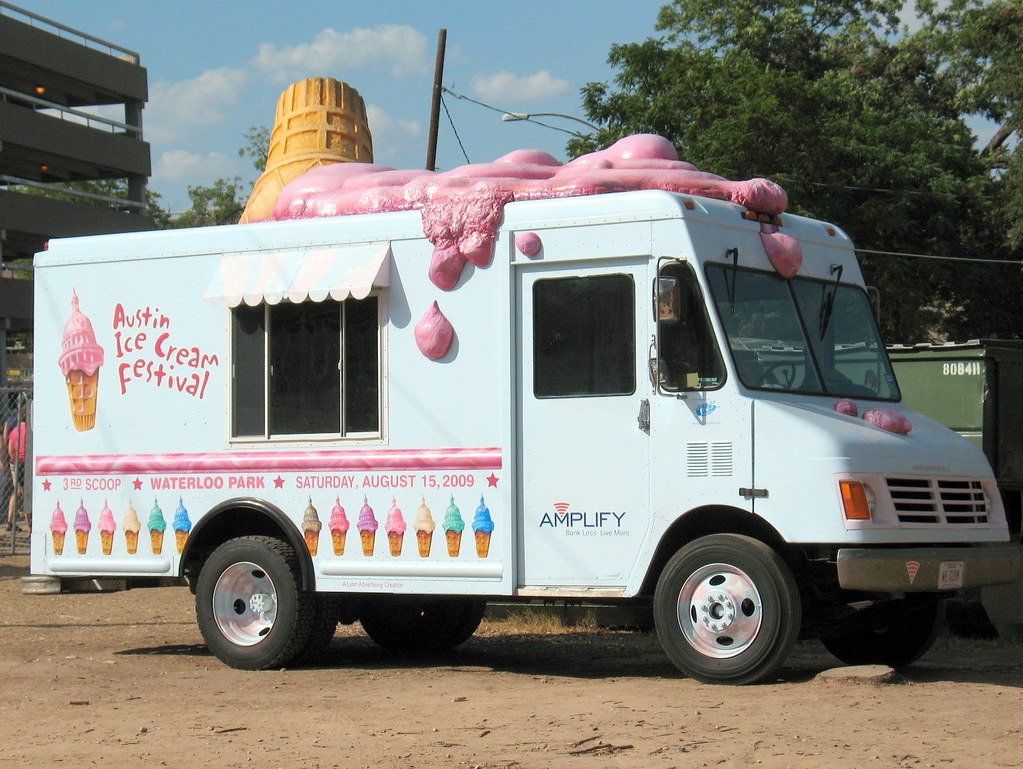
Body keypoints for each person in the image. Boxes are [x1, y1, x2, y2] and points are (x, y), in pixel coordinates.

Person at [7, 404, 27, 530]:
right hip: (26, 463)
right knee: (26, 493)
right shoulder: (31, 430)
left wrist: (15, 460)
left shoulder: (14, 431)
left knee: (17, 492)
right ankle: (30, 524)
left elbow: (10, 449)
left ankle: (10, 519)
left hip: (16, 463)